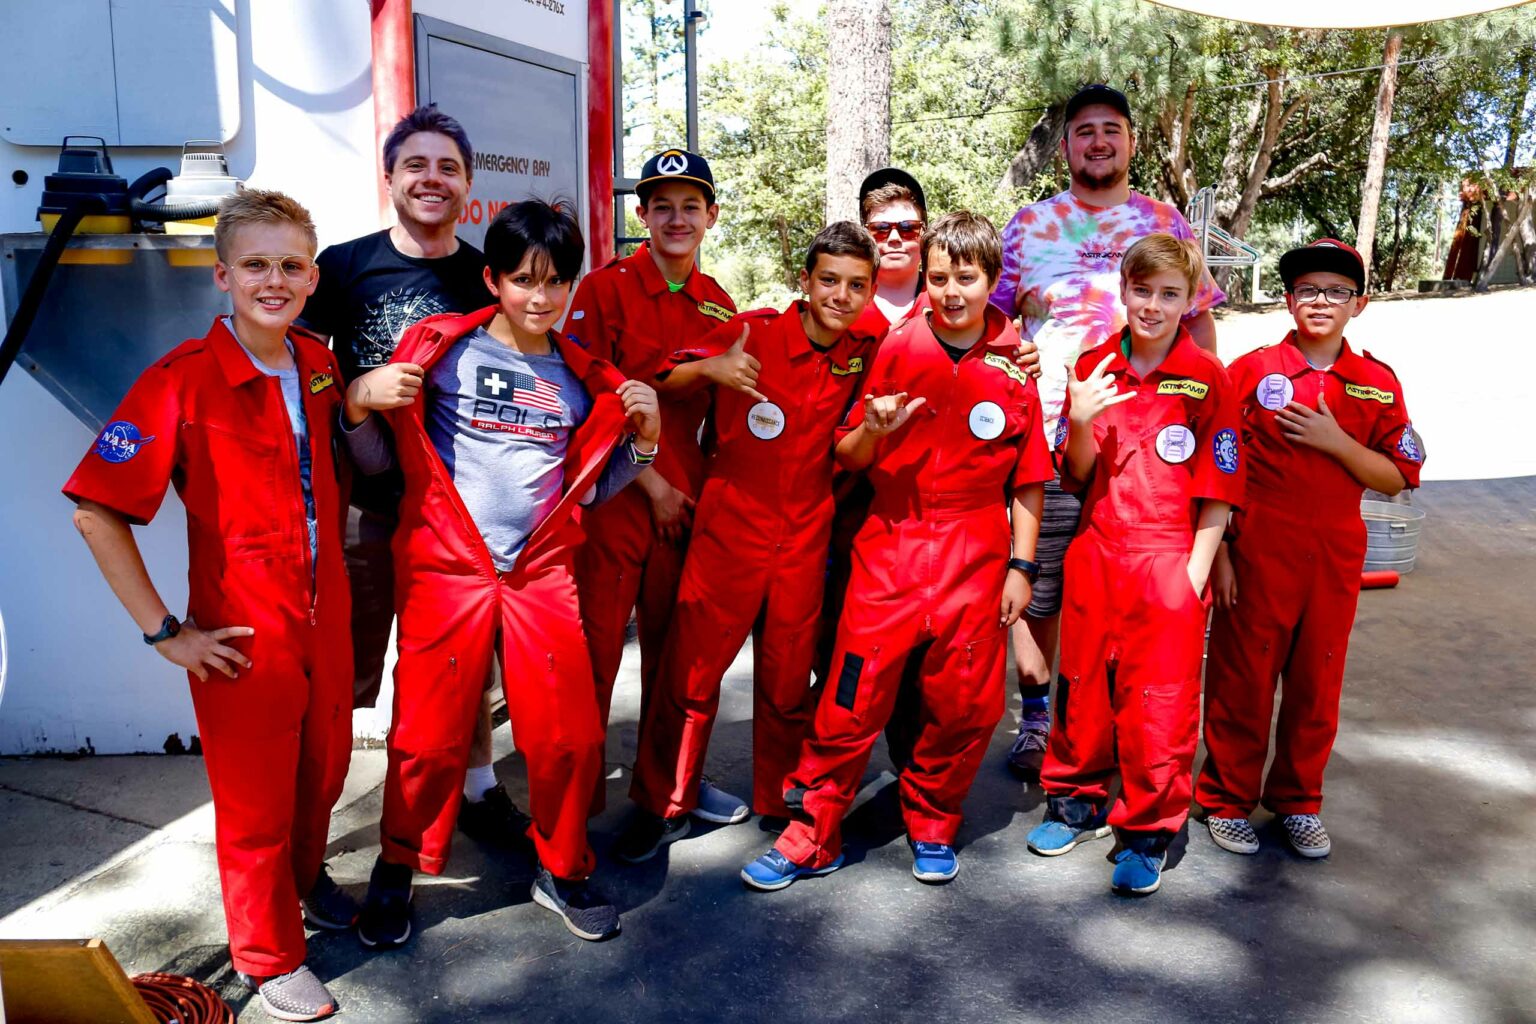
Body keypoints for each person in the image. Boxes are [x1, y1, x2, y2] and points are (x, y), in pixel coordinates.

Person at [64, 190, 353, 1021]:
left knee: (324, 772)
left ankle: (302, 885)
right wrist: (166, 632)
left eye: (291, 265)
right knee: (256, 803)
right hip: (243, 633)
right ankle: (268, 955)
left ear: (312, 276)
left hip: (324, 619)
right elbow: (97, 511)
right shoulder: (180, 382)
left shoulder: (318, 363)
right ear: (222, 274)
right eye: (256, 264)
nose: (274, 279)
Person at [341, 200, 660, 945]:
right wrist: (357, 405)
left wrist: (642, 442)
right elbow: (385, 462)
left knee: (570, 735)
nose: (540, 297)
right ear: (492, 279)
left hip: (540, 574)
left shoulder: (585, 380)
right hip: (445, 565)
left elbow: (592, 486)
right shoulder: (440, 354)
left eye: (556, 283)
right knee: (425, 736)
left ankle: (564, 868)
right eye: (523, 280)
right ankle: (398, 867)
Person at [743, 212, 1051, 891]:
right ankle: (811, 833)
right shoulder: (894, 347)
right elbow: (847, 452)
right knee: (851, 698)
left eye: (965, 279)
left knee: (965, 705)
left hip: (976, 556)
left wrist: (1021, 569)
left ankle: (935, 821)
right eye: (938, 277)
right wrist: (875, 434)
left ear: (992, 282)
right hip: (891, 550)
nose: (950, 292)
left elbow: (1029, 479)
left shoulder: (1014, 362)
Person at [615, 222, 883, 862]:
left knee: (789, 678)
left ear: (871, 293)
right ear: (805, 280)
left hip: (805, 533)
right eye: (829, 281)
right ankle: (663, 803)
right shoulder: (752, 331)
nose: (841, 297)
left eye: (857, 286)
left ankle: (779, 797)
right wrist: (711, 366)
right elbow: (664, 382)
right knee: (692, 673)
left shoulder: (868, 348)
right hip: (730, 526)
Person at [299, 105, 525, 844]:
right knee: (345, 668)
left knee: (464, 669)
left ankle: (479, 789)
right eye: (416, 166)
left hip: (456, 511)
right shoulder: (344, 265)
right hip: (366, 503)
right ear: (390, 177)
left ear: (468, 185)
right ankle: (313, 824)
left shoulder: (483, 278)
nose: (432, 179)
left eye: (448, 168)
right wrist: (356, 397)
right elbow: (301, 373)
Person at [989, 84, 1225, 779]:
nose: (1098, 142)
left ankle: (1128, 724)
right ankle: (1040, 720)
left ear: (1130, 143)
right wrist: (1013, 345)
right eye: (1084, 131)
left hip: (1156, 447)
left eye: (1111, 130)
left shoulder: (1163, 219)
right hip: (1056, 437)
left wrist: (1210, 397)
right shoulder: (1028, 224)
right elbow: (991, 317)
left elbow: (1203, 317)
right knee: (1044, 590)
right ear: (1064, 147)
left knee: (1142, 595)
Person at [1024, 233, 1242, 898]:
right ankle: (1076, 802)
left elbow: (1220, 486)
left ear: (1188, 301)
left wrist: (1195, 574)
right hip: (1099, 550)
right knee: (1083, 685)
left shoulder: (1209, 376)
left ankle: (1148, 830)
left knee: (1160, 704)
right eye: (1141, 291)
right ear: (1122, 292)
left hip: (1170, 556)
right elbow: (1076, 470)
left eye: (1169, 294)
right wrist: (1082, 419)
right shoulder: (1094, 364)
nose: (1152, 305)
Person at [1198, 239, 1422, 859]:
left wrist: (1334, 441)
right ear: (1290, 299)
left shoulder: (1377, 384)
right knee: (1242, 676)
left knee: (1316, 682)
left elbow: (1397, 475)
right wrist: (1218, 555)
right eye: (1308, 290)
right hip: (1258, 549)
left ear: (1360, 303)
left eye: (1337, 291)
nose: (1321, 301)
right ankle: (1225, 797)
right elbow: (1218, 469)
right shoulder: (1250, 371)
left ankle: (1298, 800)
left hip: (1334, 552)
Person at [565, 149, 742, 819]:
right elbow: (591, 400)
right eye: (661, 205)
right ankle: (572, 810)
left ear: (711, 217)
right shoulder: (603, 290)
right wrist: (655, 486)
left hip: (684, 506)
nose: (675, 218)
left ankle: (668, 789)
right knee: (595, 654)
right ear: (640, 214)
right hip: (620, 499)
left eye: (690, 206)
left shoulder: (719, 306)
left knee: (674, 656)